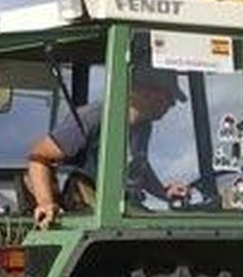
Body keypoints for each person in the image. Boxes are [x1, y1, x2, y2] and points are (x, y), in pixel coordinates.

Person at [24, 68, 189, 228]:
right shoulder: (93, 117)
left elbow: (137, 165)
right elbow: (39, 156)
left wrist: (163, 192)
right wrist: (46, 203)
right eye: (168, 97)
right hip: (92, 209)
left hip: (127, 208)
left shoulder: (144, 125)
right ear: (144, 91)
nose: (171, 104)